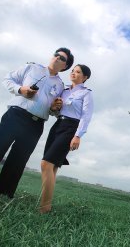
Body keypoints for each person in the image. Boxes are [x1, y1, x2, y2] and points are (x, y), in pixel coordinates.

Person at [0, 48, 74, 200]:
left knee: (18, 161)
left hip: (35, 124)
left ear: (65, 66)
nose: (57, 58)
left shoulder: (60, 86)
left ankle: (3, 196)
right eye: (56, 55)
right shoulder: (32, 68)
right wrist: (21, 89)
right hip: (15, 116)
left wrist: (54, 109)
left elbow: (54, 110)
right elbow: (7, 79)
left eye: (62, 58)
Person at [39, 64, 93, 213]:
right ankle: (46, 206)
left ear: (85, 77)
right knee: (53, 167)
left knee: (46, 164)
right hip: (58, 125)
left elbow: (86, 116)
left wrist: (78, 136)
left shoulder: (86, 93)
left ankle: (44, 208)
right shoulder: (64, 91)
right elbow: (56, 111)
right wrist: (55, 108)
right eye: (72, 71)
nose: (73, 73)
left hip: (71, 129)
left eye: (78, 72)